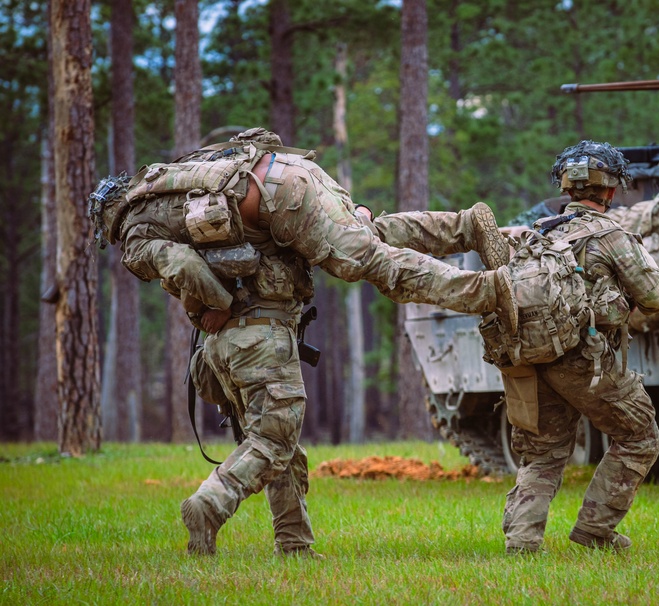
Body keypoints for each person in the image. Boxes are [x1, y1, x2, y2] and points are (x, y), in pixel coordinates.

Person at [89, 128, 514, 557]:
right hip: (288, 175)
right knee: (280, 441)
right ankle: (294, 545)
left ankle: (486, 291)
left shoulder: (137, 233)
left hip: (268, 248)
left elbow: (180, 265)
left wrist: (218, 302)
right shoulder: (180, 186)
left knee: (367, 262)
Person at [499, 141, 659, 554]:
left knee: (543, 454)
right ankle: (595, 529)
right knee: (640, 436)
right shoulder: (612, 236)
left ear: (566, 187)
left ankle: (522, 543)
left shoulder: (537, 232)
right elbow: (656, 296)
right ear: (610, 191)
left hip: (533, 358)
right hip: (586, 362)